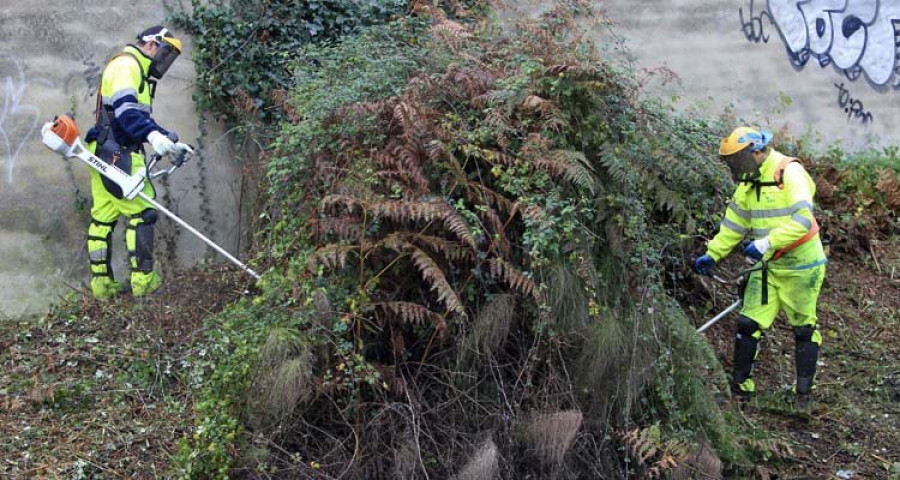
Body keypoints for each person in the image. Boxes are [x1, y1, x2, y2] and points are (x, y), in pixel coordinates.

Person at [694, 127, 826, 406]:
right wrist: (712, 254)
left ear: (755, 152)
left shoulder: (789, 174)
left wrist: (766, 243)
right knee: (747, 324)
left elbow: (804, 220)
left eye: (737, 161)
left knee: (803, 328)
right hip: (767, 269)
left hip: (801, 266)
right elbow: (733, 225)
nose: (735, 169)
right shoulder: (748, 184)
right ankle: (740, 389)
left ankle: (803, 396)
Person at [83, 26, 193, 299]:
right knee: (143, 214)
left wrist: (167, 138)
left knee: (102, 218)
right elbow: (126, 113)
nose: (164, 61)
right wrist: (153, 137)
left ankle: (101, 287)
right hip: (118, 153)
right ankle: (144, 283)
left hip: (104, 150)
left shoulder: (135, 71)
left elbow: (139, 117)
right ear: (151, 45)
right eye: (165, 52)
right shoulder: (127, 66)